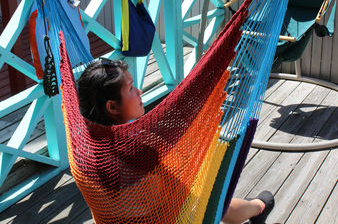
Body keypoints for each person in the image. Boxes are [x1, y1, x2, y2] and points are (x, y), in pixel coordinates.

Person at [78, 58, 275, 224]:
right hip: (165, 217)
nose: (139, 92)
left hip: (118, 216)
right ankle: (258, 208)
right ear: (112, 107)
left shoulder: (83, 145)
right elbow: (184, 191)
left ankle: (255, 207)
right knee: (210, 199)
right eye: (130, 88)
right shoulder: (139, 150)